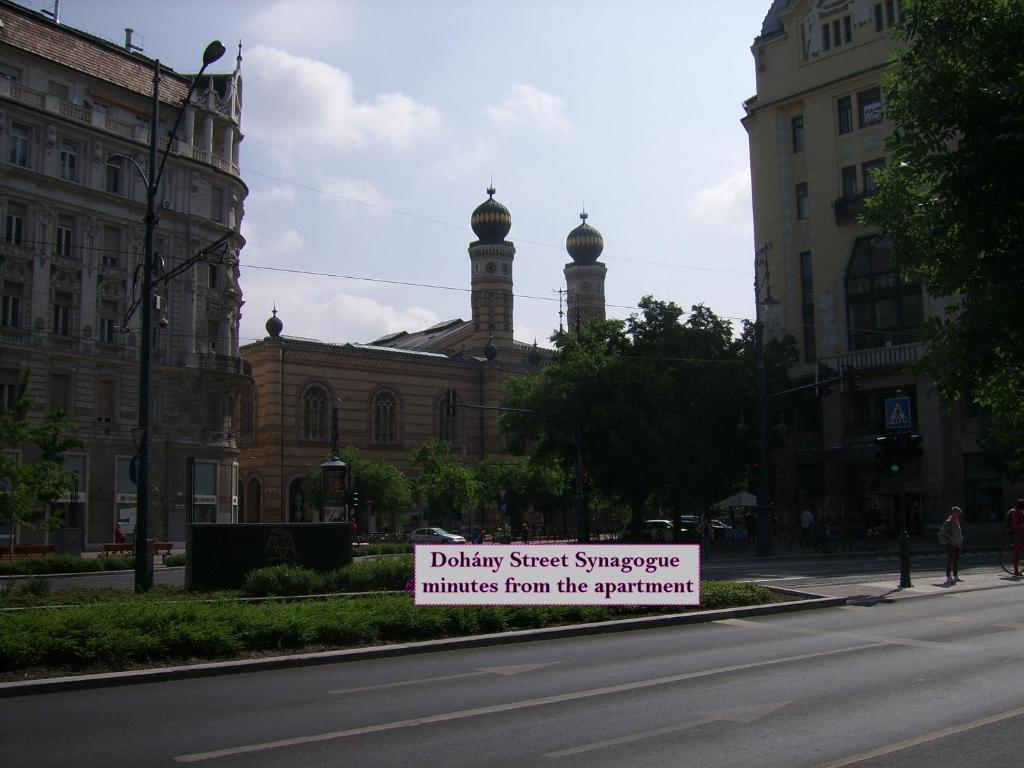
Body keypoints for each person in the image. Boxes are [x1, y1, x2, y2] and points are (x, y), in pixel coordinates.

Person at [937, 505, 964, 584]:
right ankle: (949, 576)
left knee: (956, 560)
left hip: (957, 543)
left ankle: (955, 576)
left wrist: (960, 539)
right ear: (953, 513)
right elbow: (943, 532)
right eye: (957, 513)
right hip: (950, 543)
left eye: (959, 514)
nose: (958, 515)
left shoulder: (956, 520)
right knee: (950, 560)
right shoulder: (948, 521)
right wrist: (950, 538)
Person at [1008, 499, 1024, 577]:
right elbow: (1015, 525)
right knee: (1017, 552)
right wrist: (1022, 526)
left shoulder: (1021, 512)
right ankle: (1016, 570)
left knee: (1020, 551)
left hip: (1021, 533)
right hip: (1017, 534)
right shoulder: (1015, 513)